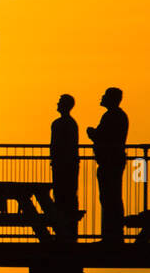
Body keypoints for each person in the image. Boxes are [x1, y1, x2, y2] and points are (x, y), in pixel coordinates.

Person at [87, 87, 129, 244]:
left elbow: (102, 135)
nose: (102, 97)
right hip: (113, 161)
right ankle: (114, 235)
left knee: (109, 198)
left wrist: (91, 132)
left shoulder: (112, 115)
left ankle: (112, 236)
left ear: (111, 98)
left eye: (105, 95)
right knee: (112, 198)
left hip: (110, 162)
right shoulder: (118, 115)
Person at [50, 94, 79, 241]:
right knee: (66, 197)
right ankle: (67, 233)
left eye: (60, 102)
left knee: (63, 197)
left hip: (63, 165)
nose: (57, 103)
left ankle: (65, 233)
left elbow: (59, 146)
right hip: (66, 164)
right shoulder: (69, 123)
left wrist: (57, 160)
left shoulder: (62, 123)